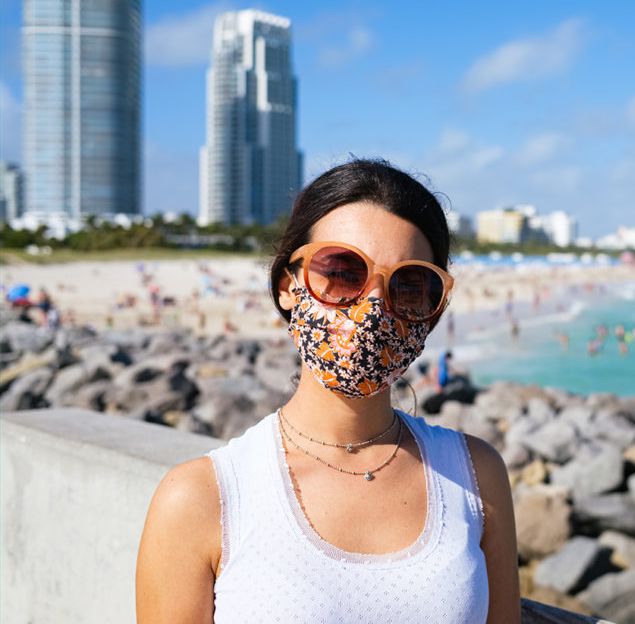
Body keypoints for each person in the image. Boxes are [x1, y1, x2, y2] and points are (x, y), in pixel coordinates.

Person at [136, 159, 520, 623]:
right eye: (342, 271)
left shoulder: (476, 477)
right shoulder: (203, 498)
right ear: (287, 286)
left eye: (409, 284)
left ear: (433, 310)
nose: (375, 305)